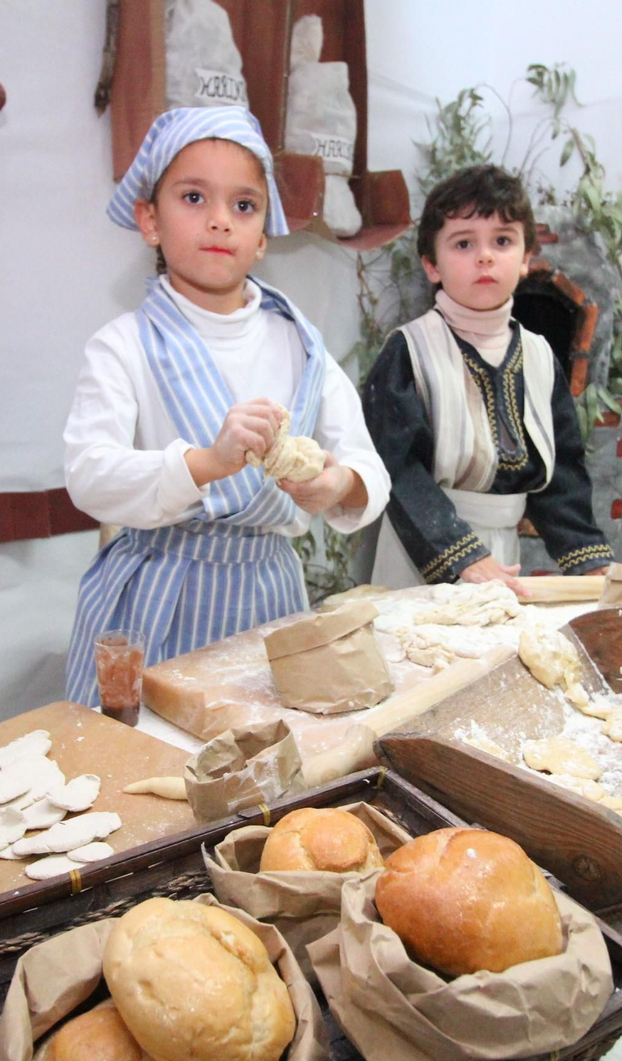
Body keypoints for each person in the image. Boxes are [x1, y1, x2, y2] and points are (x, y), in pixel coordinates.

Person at [61, 107, 390, 705]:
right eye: (193, 198)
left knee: (258, 767)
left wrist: (338, 484)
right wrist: (206, 463)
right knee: (148, 770)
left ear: (263, 237)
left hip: (270, 596)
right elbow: (89, 476)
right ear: (149, 220)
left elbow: (371, 471)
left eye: (243, 206)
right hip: (153, 598)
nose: (220, 221)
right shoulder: (123, 345)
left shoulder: (300, 343)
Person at [361, 165, 613, 594]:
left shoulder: (538, 357)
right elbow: (397, 469)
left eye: (502, 240)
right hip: (422, 551)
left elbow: (562, 473)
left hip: (502, 561)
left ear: (527, 259)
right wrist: (463, 555)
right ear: (431, 265)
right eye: (463, 243)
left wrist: (588, 559)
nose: (485, 256)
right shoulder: (409, 352)